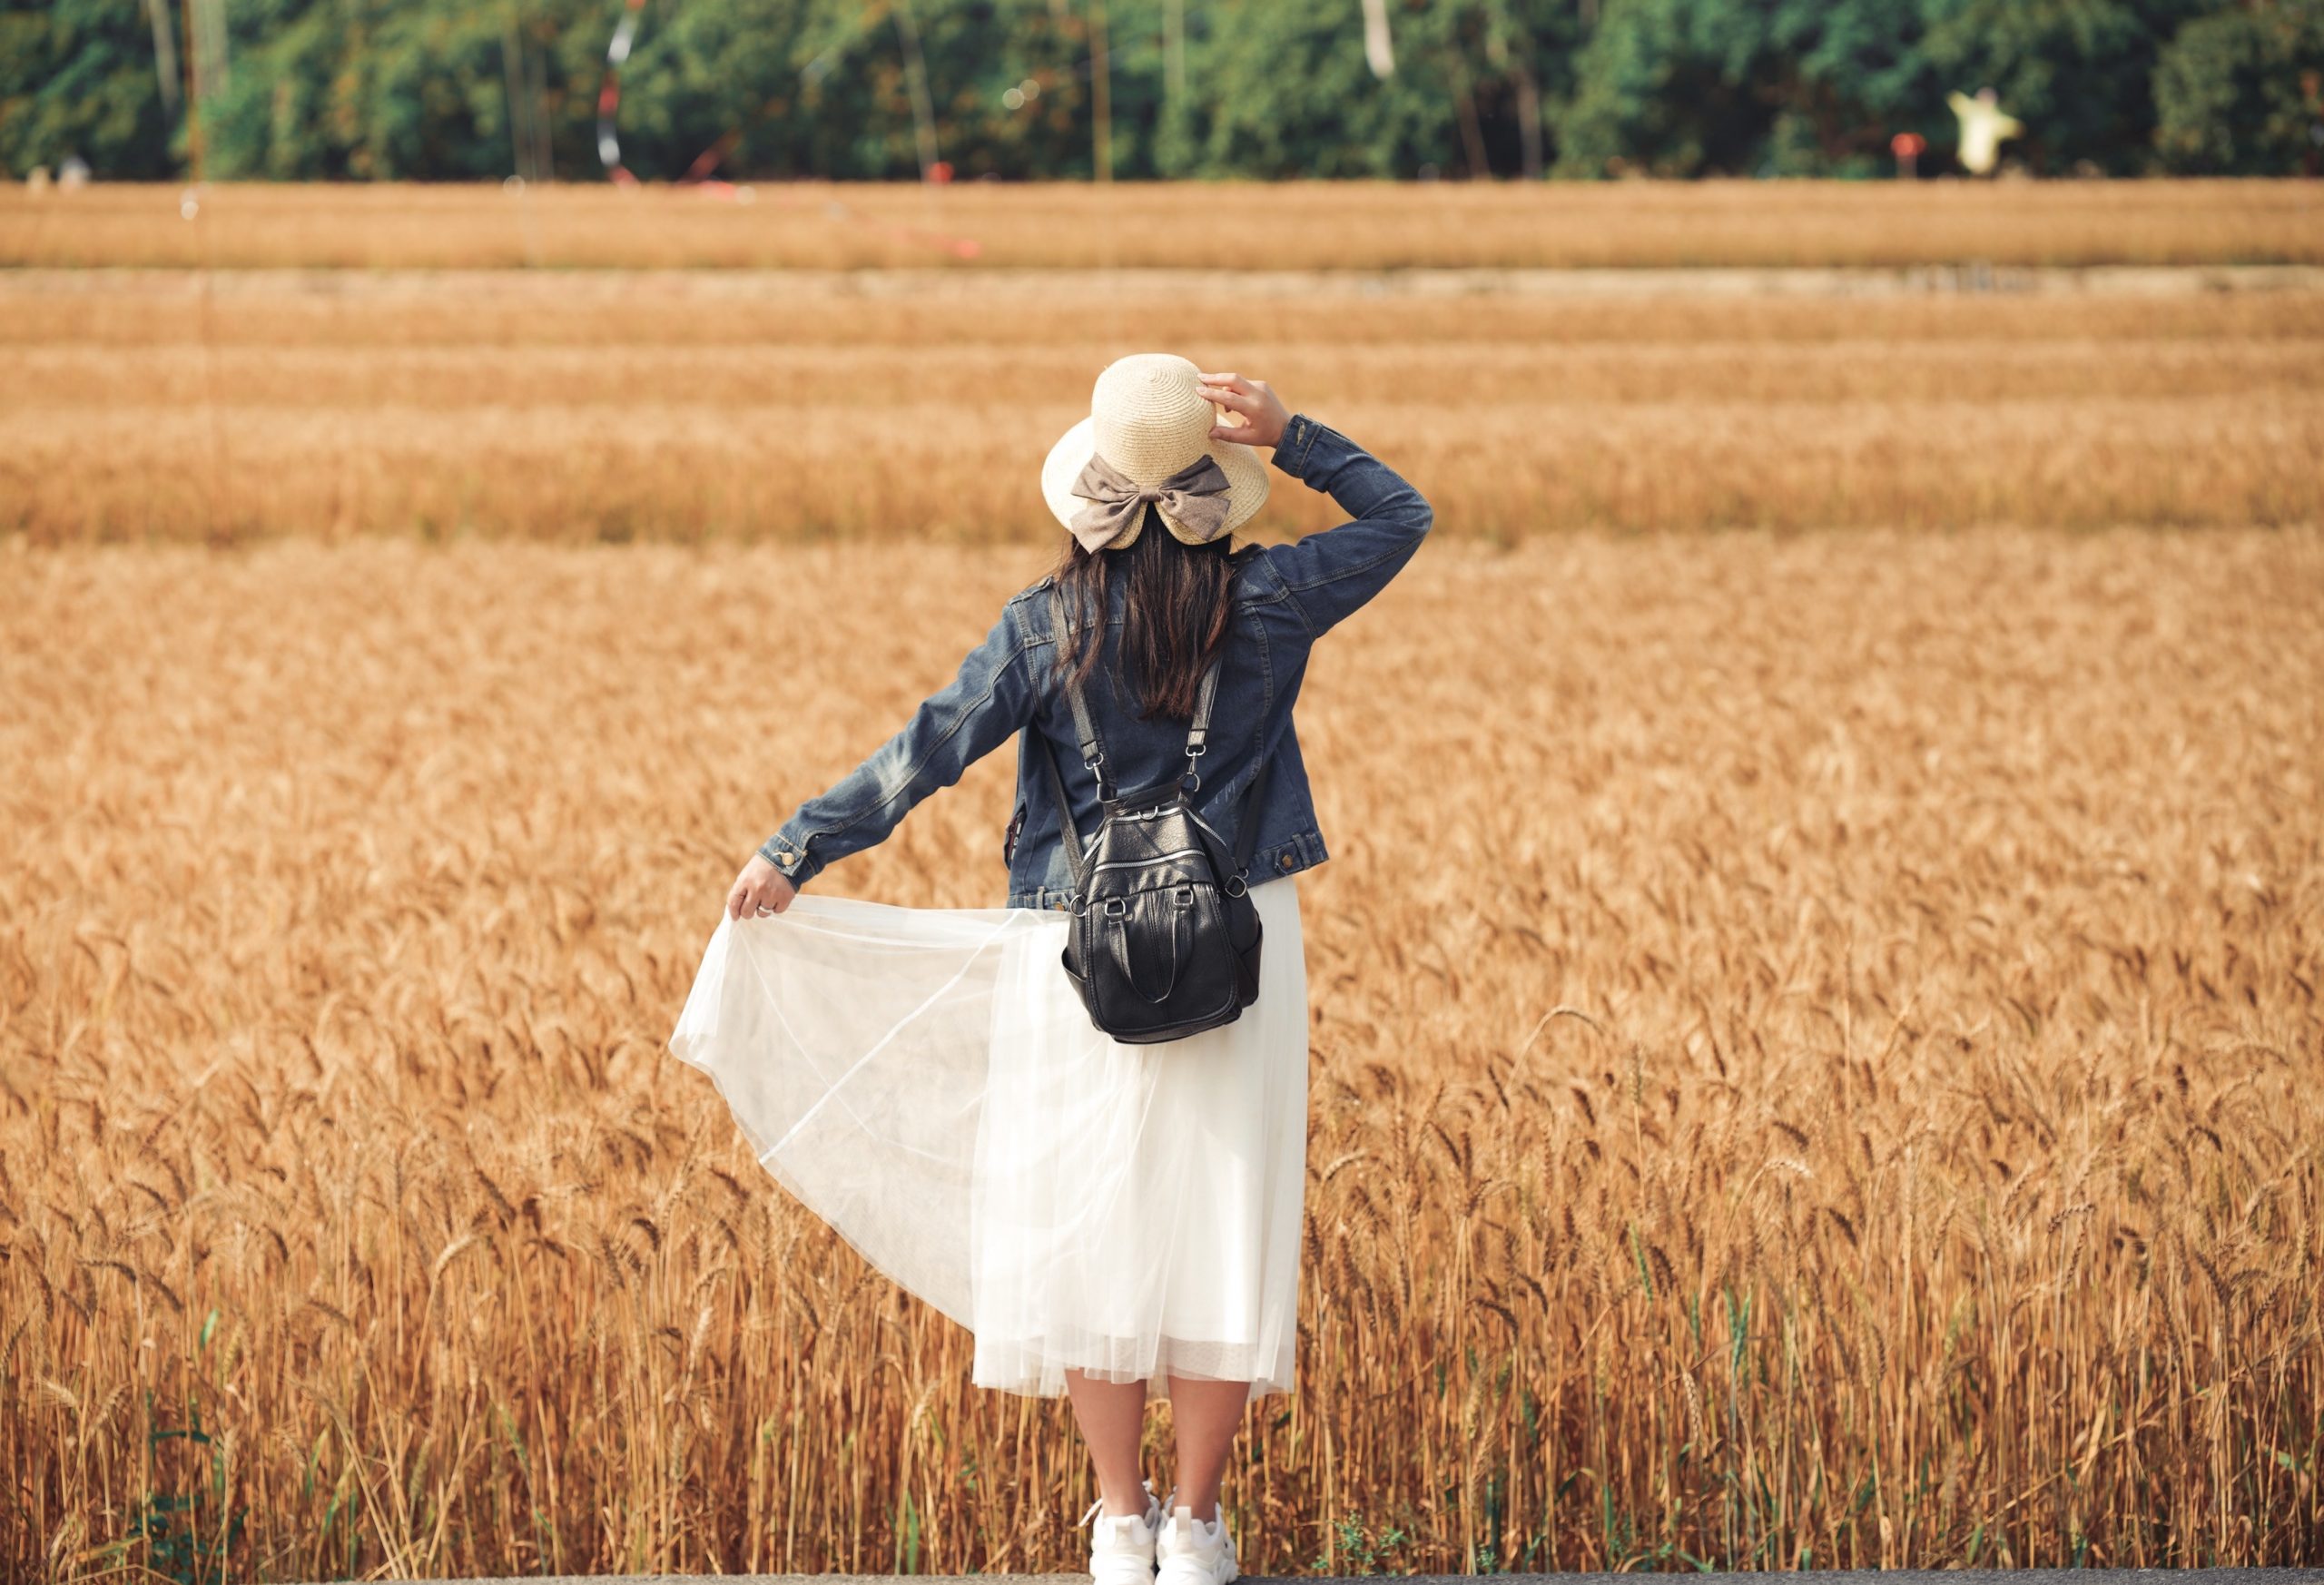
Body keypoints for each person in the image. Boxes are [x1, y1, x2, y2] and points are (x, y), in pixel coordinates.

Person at [672, 353, 1432, 1585]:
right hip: (1239, 945)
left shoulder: (1045, 623)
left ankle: (1118, 1520)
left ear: (1090, 488)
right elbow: (1404, 516)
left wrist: (794, 848)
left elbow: (923, 751)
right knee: (1221, 1227)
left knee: (1093, 1231)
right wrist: (1295, 434)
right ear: (1215, 490)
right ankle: (1196, 1524)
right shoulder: (1276, 599)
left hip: (1072, 956)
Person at [1948, 86, 2024, 176]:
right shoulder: (1972, 112)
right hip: (1971, 161)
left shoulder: (1986, 116)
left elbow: (2014, 127)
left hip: (1981, 162)